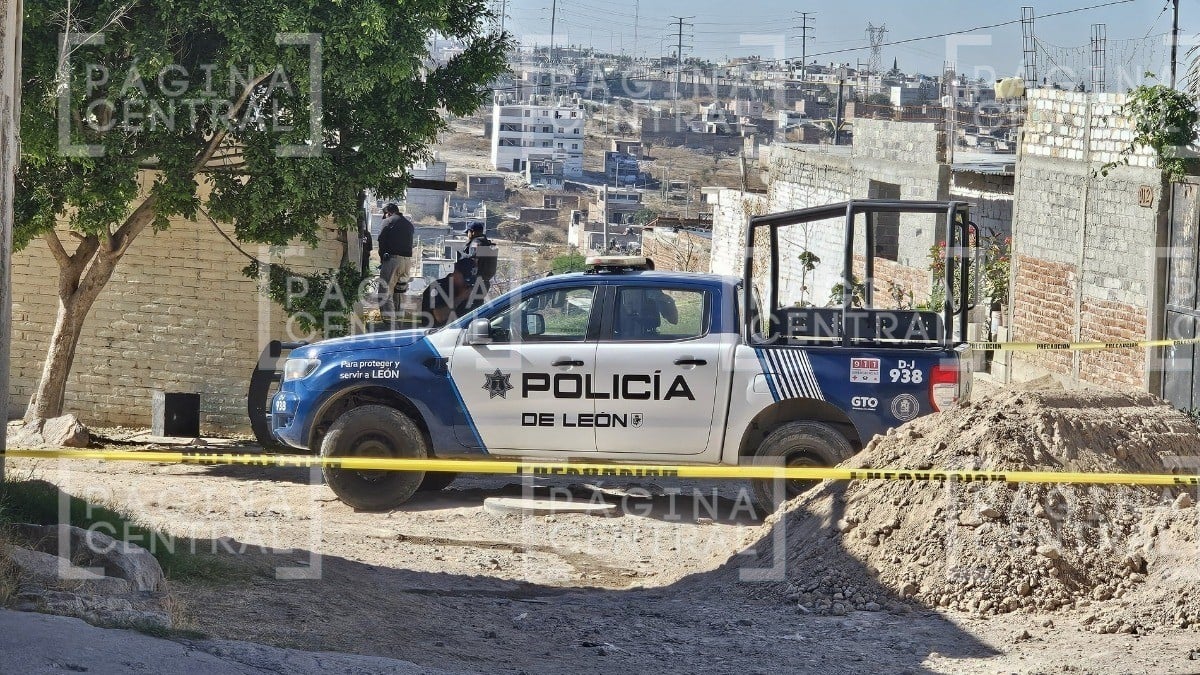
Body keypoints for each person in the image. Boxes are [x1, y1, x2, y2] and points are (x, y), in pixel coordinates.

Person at [377, 203, 415, 318]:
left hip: (393, 260)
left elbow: (381, 242)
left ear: (388, 212)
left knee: (385, 292)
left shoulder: (388, 221)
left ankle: (388, 322)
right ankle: (398, 320)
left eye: (385, 214)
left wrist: (382, 259)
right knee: (399, 292)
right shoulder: (409, 224)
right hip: (407, 262)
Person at [419, 257, 477, 328]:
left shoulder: (465, 289)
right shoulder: (437, 287)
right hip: (435, 335)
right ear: (456, 273)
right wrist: (460, 298)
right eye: (465, 281)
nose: (466, 285)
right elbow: (440, 316)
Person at [458, 222, 498, 311]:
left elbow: (472, 259)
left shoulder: (476, 243)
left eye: (468, 232)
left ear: (473, 232)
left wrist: (461, 256)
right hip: (484, 283)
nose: (467, 235)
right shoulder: (486, 243)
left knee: (466, 311)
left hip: (474, 284)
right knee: (477, 309)